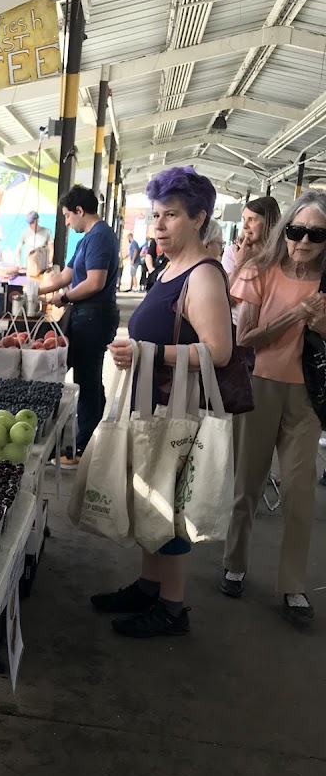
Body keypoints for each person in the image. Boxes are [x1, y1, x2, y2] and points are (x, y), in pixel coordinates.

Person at [94, 166, 233, 638]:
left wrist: (147, 353)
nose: (158, 225)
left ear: (198, 218)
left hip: (179, 413)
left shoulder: (204, 276)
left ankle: (172, 608)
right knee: (152, 500)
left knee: (170, 507)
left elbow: (219, 351)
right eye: (156, 214)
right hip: (154, 406)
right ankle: (149, 587)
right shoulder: (171, 268)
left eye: (170, 215)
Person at [221, 191, 326, 627]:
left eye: (316, 234)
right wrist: (295, 316)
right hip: (260, 386)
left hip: (308, 396)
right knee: (247, 482)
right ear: (285, 231)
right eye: (297, 231)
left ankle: (293, 585)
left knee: (300, 494)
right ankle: (234, 561)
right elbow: (244, 337)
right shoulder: (258, 270)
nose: (303, 241)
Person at [38, 184, 121, 467]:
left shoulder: (100, 237)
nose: (66, 222)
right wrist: (36, 291)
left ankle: (85, 449)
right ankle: (91, 439)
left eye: (67, 216)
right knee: (87, 379)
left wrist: (63, 298)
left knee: (86, 382)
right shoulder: (87, 238)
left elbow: (94, 282)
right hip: (83, 315)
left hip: (94, 316)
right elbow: (68, 275)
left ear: (80, 210)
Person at [221, 196, 281, 281]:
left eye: (252, 220)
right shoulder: (233, 252)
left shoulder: (282, 254)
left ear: (268, 223)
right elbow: (226, 291)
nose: (245, 226)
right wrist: (239, 265)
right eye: (244, 219)